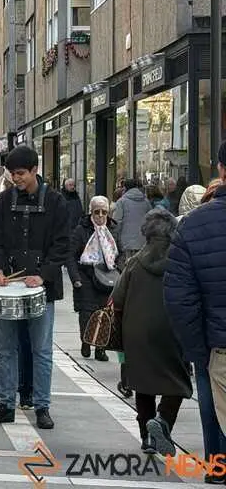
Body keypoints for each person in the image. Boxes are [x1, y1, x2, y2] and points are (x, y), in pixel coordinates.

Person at [0, 145, 69, 430]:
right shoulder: (3, 202)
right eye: (12, 174)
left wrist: (43, 275)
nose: (15, 179)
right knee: (6, 348)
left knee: (41, 349)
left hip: (41, 286)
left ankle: (42, 406)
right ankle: (6, 403)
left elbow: (62, 244)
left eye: (20, 173)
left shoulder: (56, 202)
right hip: (9, 285)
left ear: (34, 170)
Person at [165, 141, 226, 483]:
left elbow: (178, 297)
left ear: (220, 170)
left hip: (212, 341)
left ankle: (217, 466)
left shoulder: (193, 224)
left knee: (212, 405)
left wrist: (194, 348)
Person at [114, 208, 191, 456]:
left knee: (143, 384)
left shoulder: (135, 262)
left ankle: (147, 437)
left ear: (146, 233)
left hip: (137, 332)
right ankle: (163, 421)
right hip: (171, 330)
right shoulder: (181, 262)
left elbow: (117, 298)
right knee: (177, 382)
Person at [67, 195, 119, 362]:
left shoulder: (113, 229)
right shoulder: (81, 230)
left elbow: (121, 252)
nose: (101, 216)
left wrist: (119, 270)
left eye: (104, 212)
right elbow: (71, 255)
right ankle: (86, 341)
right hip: (87, 276)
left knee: (105, 315)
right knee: (88, 314)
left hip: (107, 277)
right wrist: (76, 278)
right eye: (97, 212)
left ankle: (101, 348)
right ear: (91, 212)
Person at [112, 179, 152, 261]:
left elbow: (117, 222)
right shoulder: (146, 201)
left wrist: (115, 238)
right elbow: (151, 219)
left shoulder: (121, 202)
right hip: (143, 242)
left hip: (126, 243)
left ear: (125, 188)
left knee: (127, 268)